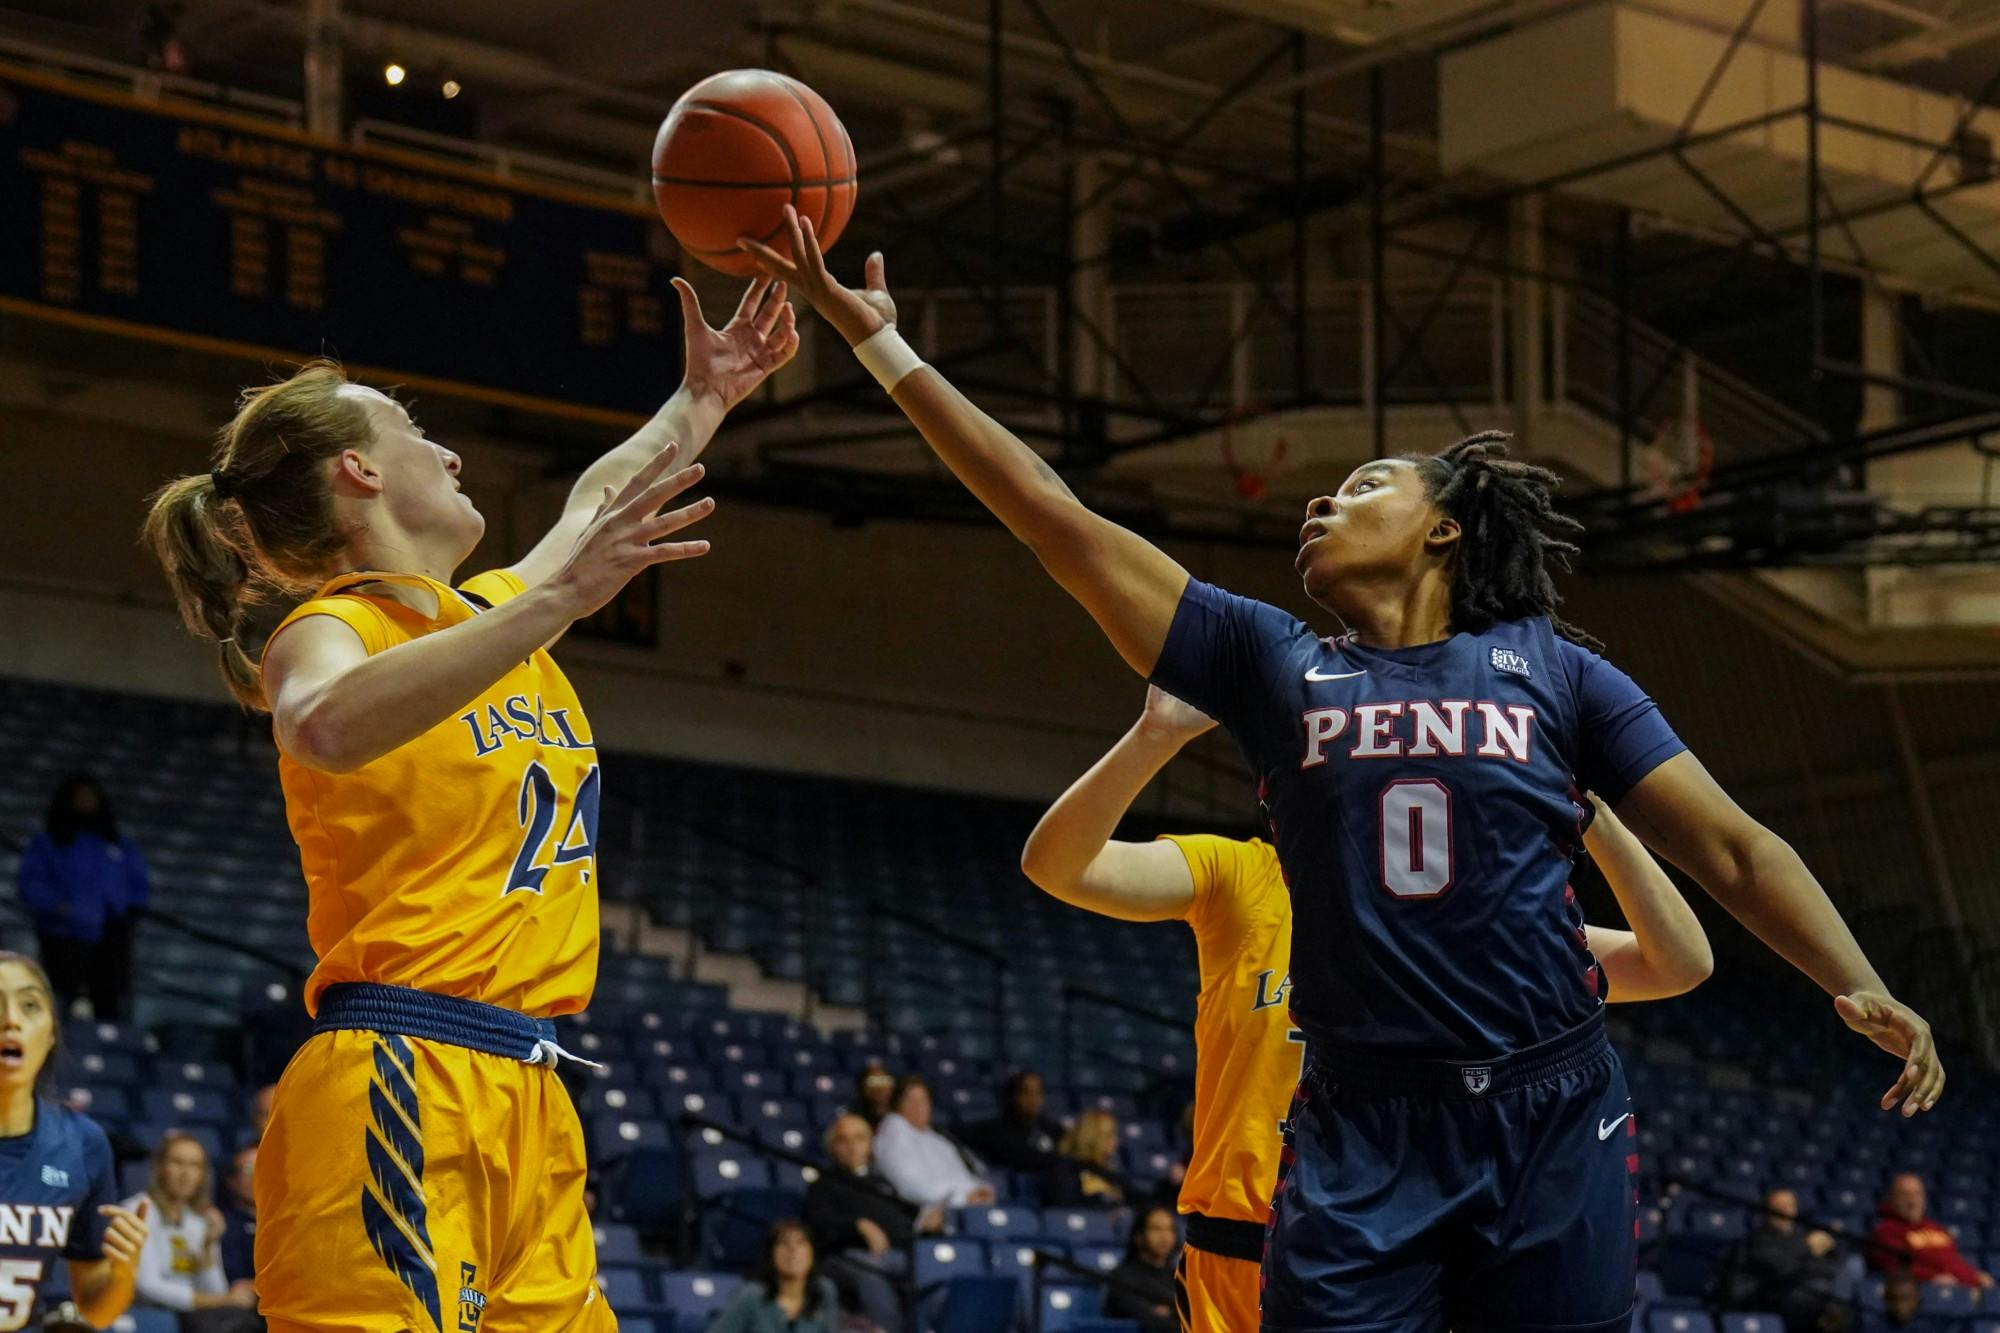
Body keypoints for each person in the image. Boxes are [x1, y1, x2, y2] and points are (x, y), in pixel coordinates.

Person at [746, 207, 1942, 1333]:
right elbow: (1054, 516)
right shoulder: (1273, 663)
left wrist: (1850, 979)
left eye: (1366, 483)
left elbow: (1732, 847)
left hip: (1548, 1103)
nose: (1323, 498)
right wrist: (886, 345)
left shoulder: (1556, 673)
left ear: (1444, 528)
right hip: (1357, 1116)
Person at [142, 273, 795, 1330]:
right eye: (418, 432)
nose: (449, 453)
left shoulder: (490, 618)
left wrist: (705, 398)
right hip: (402, 1063)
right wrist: (554, 598)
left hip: (530, 1084)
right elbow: (320, 722)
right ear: (358, 469)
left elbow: (595, 501)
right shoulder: (330, 627)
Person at [1020, 684, 1715, 1332]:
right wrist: (1155, 735)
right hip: (1240, 1251)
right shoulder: (1242, 876)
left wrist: (1587, 806)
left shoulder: (1466, 910)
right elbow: (1057, 864)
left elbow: (1678, 962)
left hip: (1391, 1255)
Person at [0, 951, 148, 1326]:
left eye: (30, 1005)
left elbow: (94, 1311)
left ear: (51, 1034)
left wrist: (124, 1272)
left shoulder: (82, 1144)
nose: (11, 1021)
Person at [18, 775, 149, 1019]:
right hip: (62, 935)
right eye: (80, 797)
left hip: (110, 936)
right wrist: (61, 908)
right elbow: (31, 883)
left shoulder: (119, 844)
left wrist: (125, 909)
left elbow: (138, 884)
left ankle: (109, 1048)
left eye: (91, 797)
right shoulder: (48, 842)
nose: (86, 802)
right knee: (59, 999)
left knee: (108, 1000)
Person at [803, 1112, 934, 1333]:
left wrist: (926, 1224)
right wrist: (857, 1224)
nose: (852, 1146)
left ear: (870, 1143)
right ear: (832, 1147)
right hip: (845, 1256)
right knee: (870, 1270)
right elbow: (817, 1223)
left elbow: (904, 1221)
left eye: (859, 1138)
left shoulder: (885, 1182)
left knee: (933, 1268)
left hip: (898, 1253)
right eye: (844, 1140)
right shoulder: (824, 1184)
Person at [129, 1131, 260, 1329]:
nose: (186, 1173)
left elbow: (216, 1290)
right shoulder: (137, 1210)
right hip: (150, 1311)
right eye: (177, 1162)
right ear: (160, 1168)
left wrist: (208, 1246)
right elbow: (146, 1286)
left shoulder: (199, 1221)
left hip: (193, 1316)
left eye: (194, 1165)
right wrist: (221, 1300)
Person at [1721, 1189, 1853, 1333]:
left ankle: (1834, 1313)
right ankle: (1833, 1313)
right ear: (1767, 1211)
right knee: (1824, 1291)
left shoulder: (1801, 1234)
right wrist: (1807, 1248)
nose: (1785, 1211)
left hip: (1812, 1291)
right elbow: (1779, 1269)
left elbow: (1824, 1266)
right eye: (1779, 1206)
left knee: (1848, 1271)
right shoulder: (1759, 1240)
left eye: (1790, 1205)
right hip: (1776, 1297)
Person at [870, 1076, 993, 1210]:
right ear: (897, 1104)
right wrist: (963, 1197)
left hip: (963, 1206)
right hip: (929, 1213)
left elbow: (961, 1175)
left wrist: (978, 1190)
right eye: (911, 1100)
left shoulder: (936, 1137)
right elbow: (910, 1186)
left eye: (923, 1100)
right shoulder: (893, 1133)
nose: (919, 1107)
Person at [707, 1219, 841, 1333]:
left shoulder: (824, 1290)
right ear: (771, 1255)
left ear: (812, 1253)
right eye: (784, 1244)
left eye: (801, 1243)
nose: (793, 1251)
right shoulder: (750, 1295)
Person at [1867, 1173, 1993, 1287]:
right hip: (1928, 1293)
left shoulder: (1937, 1228)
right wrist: (1931, 1278)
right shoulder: (1885, 1231)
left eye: (1917, 1194)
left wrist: (1974, 1276)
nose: (1912, 1201)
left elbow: (1955, 1263)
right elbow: (1895, 1267)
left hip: (1959, 1289)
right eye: (1905, 1195)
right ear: (1893, 1199)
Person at [954, 1071, 1062, 1176]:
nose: (1033, 1099)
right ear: (1013, 1096)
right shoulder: (995, 1129)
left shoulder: (1051, 1127)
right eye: (1026, 1092)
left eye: (1038, 1092)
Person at [1104, 1205, 1180, 1333]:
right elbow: (1151, 1322)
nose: (1164, 1236)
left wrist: (1169, 1312)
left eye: (1169, 1229)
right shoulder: (1122, 1277)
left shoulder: (1181, 1277)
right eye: (1156, 1229)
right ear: (1139, 1236)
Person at [1046, 1109, 1127, 1209]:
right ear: (1091, 1137)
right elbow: (1066, 1204)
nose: (1115, 1141)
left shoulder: (1106, 1170)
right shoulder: (1065, 1168)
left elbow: (1133, 1195)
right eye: (1109, 1136)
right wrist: (1102, 1197)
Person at [216, 1147, 256, 1286]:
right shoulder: (220, 1224)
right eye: (248, 1170)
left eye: (264, 1168)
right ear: (232, 1181)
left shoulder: (290, 1224)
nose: (257, 1176)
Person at [851, 1064, 896, 1129]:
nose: (879, 1087)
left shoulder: (902, 1114)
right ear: (863, 1087)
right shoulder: (855, 1118)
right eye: (872, 1081)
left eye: (883, 1080)